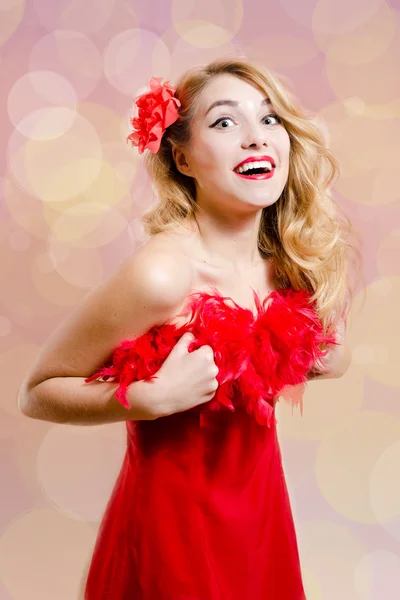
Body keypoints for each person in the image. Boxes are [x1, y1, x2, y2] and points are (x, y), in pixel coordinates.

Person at [17, 57, 361, 599]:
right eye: (225, 123)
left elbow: (323, 357)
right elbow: (36, 393)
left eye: (269, 120)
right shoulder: (163, 275)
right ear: (182, 157)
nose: (255, 138)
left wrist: (309, 351)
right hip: (170, 533)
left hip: (261, 521)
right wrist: (144, 398)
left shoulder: (290, 261)